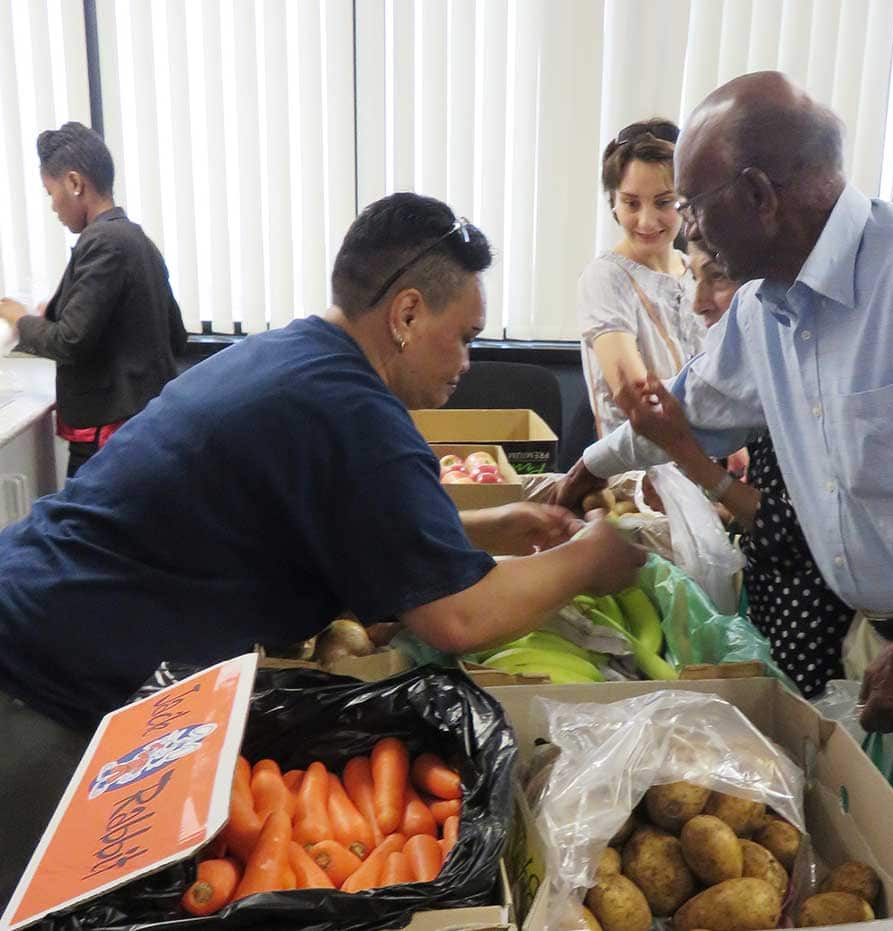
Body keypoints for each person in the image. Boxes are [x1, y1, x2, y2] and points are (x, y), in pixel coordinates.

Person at [554, 71, 893, 931]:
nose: (685, 228)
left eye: (694, 205)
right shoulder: (770, 305)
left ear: (759, 195)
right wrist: (587, 469)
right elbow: (693, 403)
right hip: (890, 633)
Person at [0, 192, 645, 905]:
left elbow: (338, 521)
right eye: (464, 335)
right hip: (37, 681)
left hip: (37, 614)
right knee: (47, 908)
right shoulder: (357, 414)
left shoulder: (298, 356)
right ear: (405, 314)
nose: (468, 360)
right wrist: (595, 556)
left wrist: (491, 524)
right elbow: (458, 617)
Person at [633, 241, 855, 697]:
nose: (699, 303)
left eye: (717, 277)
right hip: (776, 605)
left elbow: (797, 529)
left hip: (810, 620)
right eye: (695, 277)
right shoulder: (770, 369)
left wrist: (690, 460)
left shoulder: (807, 373)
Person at [0, 122, 187, 477]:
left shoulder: (103, 242)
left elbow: (71, 340)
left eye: (49, 192)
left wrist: (20, 319)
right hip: (143, 426)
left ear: (74, 183)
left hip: (109, 434)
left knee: (85, 531)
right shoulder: (138, 240)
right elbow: (175, 334)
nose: (53, 207)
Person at [578, 118, 705, 436]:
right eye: (631, 203)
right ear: (613, 201)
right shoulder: (605, 278)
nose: (646, 222)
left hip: (705, 462)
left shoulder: (700, 273)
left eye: (664, 202)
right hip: (639, 471)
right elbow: (636, 400)